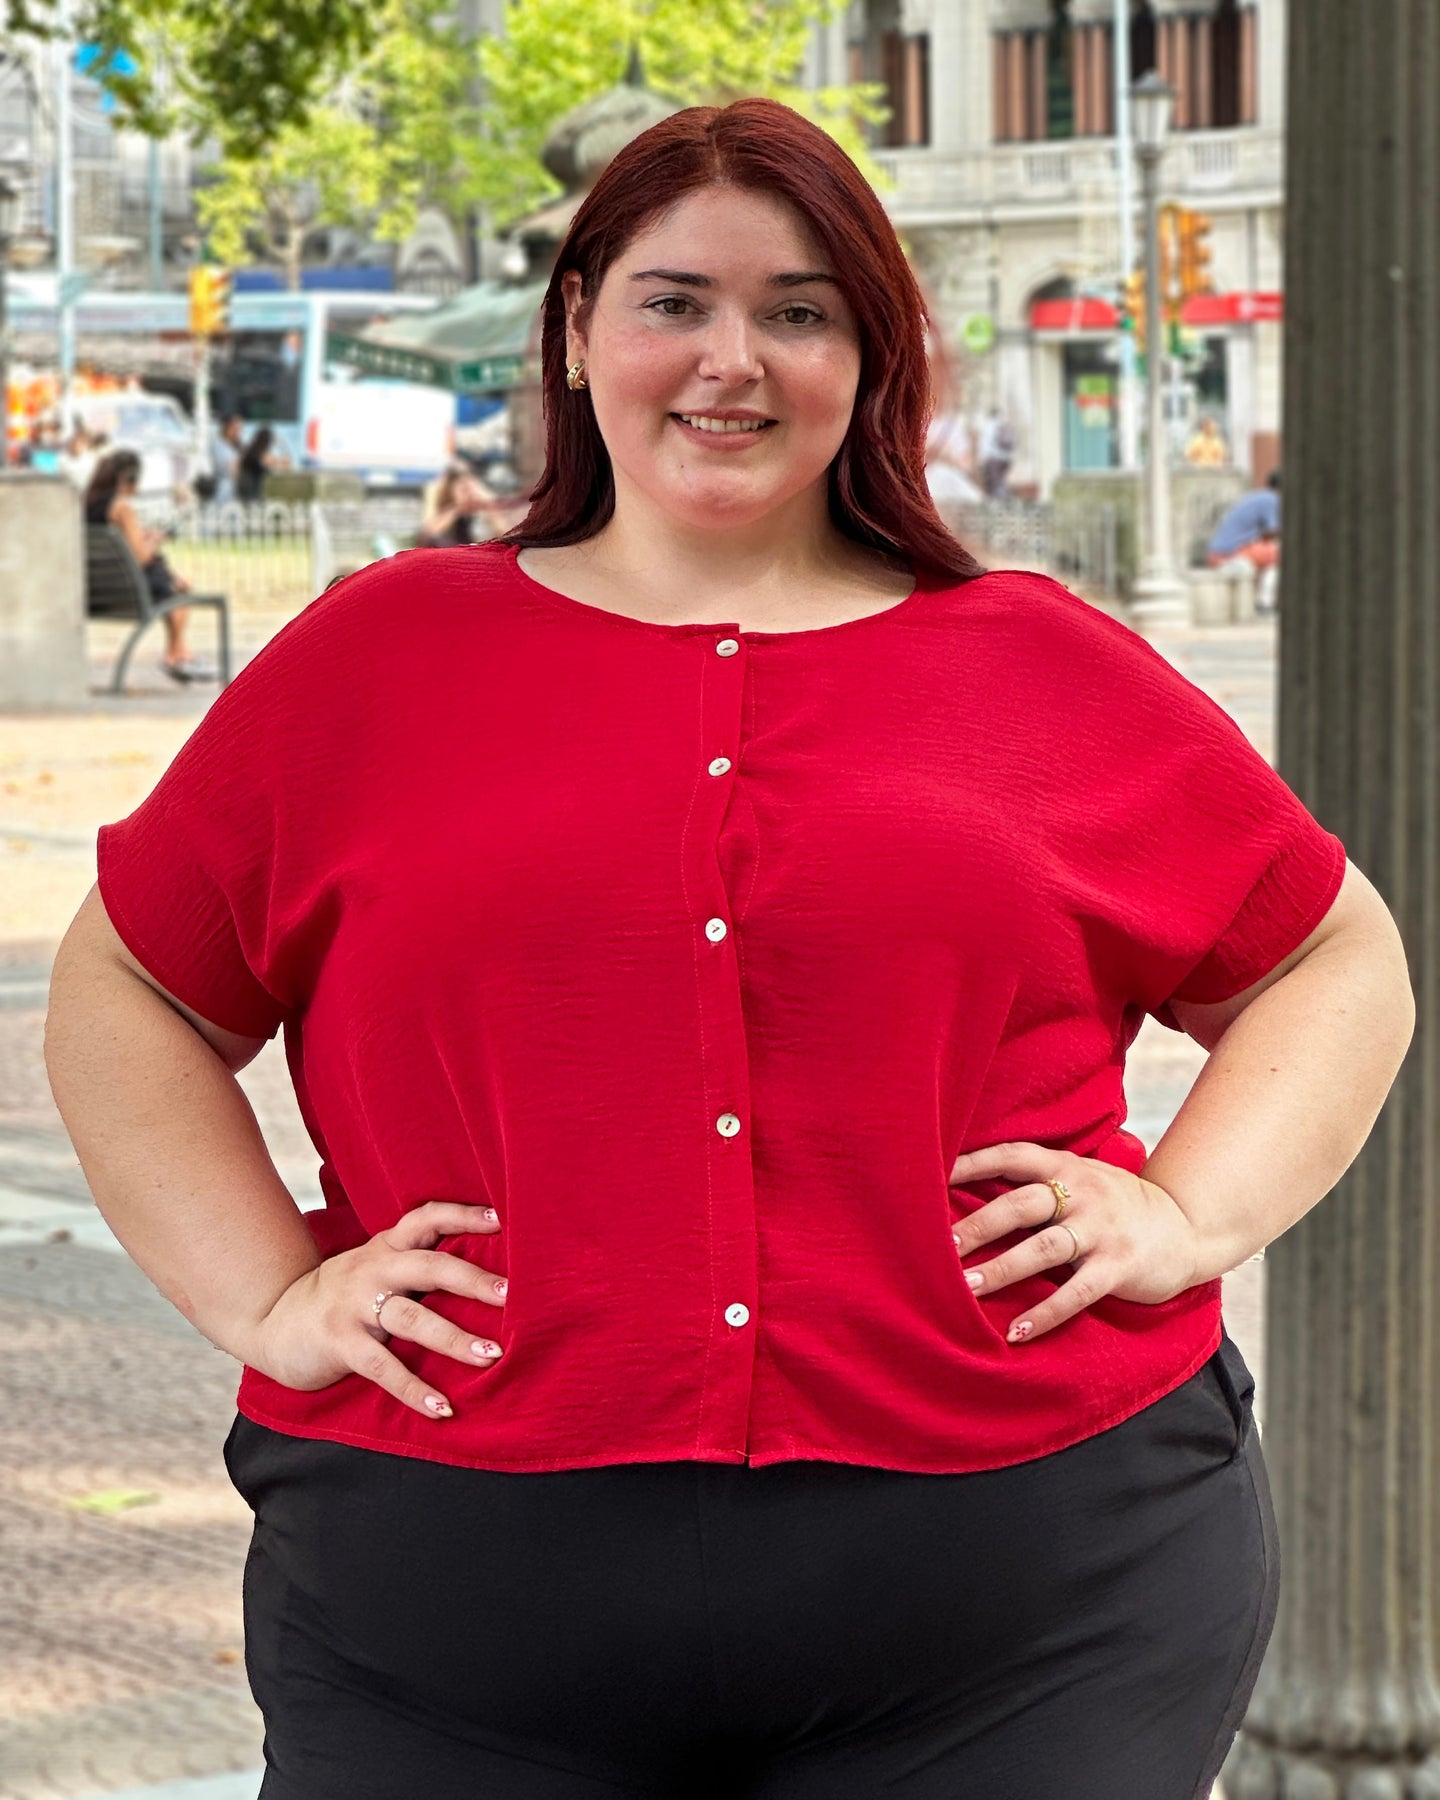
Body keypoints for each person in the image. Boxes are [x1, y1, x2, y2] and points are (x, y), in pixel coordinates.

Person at [45, 99, 1413, 1800]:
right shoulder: (379, 659)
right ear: (581, 330)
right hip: (452, 1623)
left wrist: (1193, 1211)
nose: (731, 360)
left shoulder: (1038, 666)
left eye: (800, 309)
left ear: (873, 354)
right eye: (674, 300)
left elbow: (1329, 958)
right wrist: (263, 1289)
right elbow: (131, 982)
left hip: (1037, 1609)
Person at [83, 449, 214, 683]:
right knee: (179, 588)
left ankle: (180, 654)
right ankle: (176, 655)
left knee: (174, 587)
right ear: (128, 479)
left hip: (98, 589)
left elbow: (124, 548)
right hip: (128, 591)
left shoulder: (90, 505)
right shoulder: (122, 507)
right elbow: (142, 557)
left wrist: (143, 538)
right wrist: (154, 539)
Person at [1208, 469, 1282, 611]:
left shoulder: (1257, 497)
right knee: (1280, 555)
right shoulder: (1272, 499)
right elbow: (1273, 531)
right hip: (1229, 554)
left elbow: (1265, 535)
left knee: (1271, 555)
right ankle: (1265, 602)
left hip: (1222, 552)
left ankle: (1266, 600)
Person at [416, 461, 508, 547]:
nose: (468, 489)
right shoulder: (447, 513)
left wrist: (488, 506)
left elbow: (506, 535)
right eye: (462, 486)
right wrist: (458, 509)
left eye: (469, 483)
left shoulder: (489, 507)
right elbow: (427, 536)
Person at [236, 425, 289, 502]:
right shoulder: (259, 455)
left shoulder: (252, 451)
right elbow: (285, 462)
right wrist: (281, 444)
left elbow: (285, 463)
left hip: (247, 491)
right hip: (251, 493)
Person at [978, 404, 1015, 498]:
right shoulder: (1001, 424)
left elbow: (985, 445)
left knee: (995, 482)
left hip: (992, 458)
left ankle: (999, 499)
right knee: (998, 481)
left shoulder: (988, 425)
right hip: (1003, 457)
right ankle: (1001, 498)